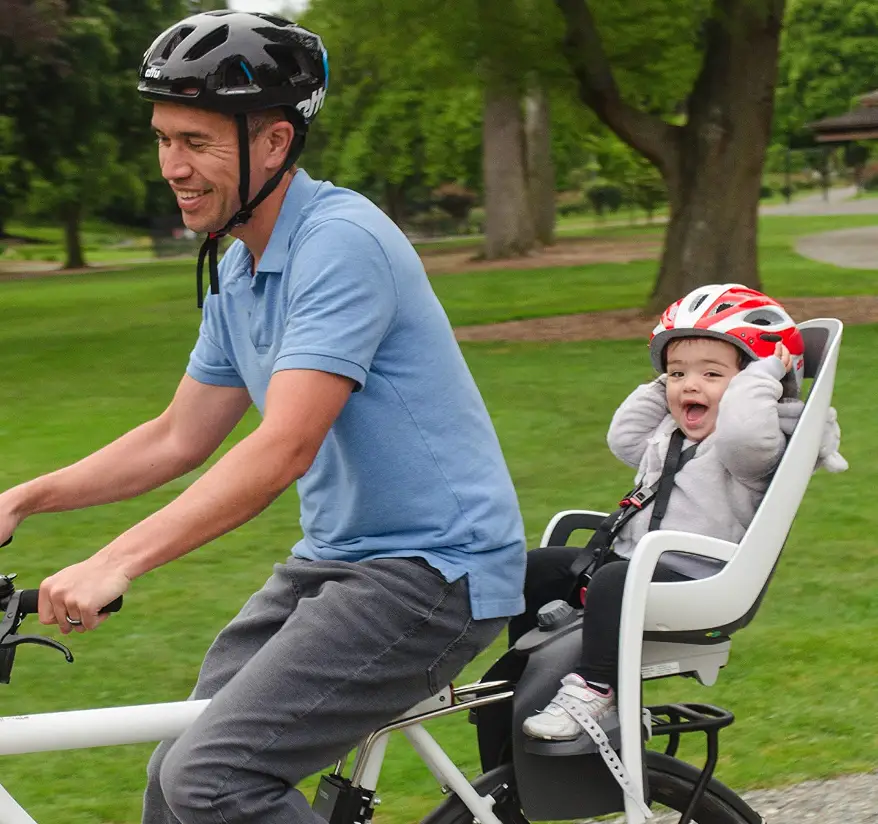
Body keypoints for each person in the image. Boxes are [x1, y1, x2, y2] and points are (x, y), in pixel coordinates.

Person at [0, 11, 526, 824]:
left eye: (197, 142)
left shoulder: (341, 243)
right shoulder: (240, 265)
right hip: (335, 564)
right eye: (164, 139)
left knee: (211, 782)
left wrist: (119, 561)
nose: (173, 167)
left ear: (274, 144)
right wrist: (21, 500)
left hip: (432, 574)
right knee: (172, 779)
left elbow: (284, 445)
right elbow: (177, 436)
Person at [514, 283, 847, 742]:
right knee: (537, 568)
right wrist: (669, 381)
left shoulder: (756, 448)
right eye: (677, 374)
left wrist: (769, 371)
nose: (689, 385)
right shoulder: (673, 434)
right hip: (643, 564)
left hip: (699, 577)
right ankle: (517, 677)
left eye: (712, 375)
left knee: (615, 581)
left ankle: (594, 687)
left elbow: (743, 433)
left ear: (759, 386)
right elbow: (623, 438)